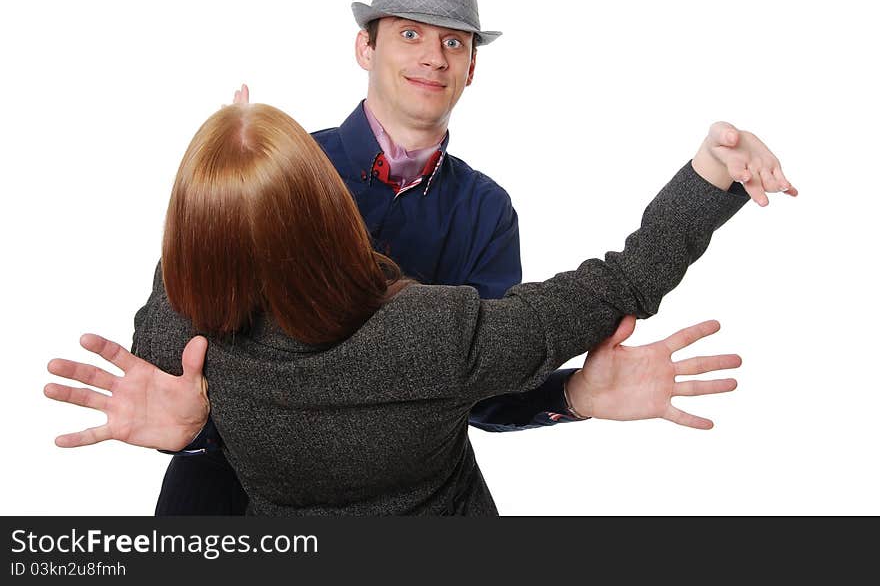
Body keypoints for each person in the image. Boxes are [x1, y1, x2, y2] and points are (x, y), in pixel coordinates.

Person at [45, 100, 792, 515]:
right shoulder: (439, 332)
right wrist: (709, 176)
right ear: (330, 209)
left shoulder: (192, 344)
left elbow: (181, 287)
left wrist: (223, 182)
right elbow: (619, 284)